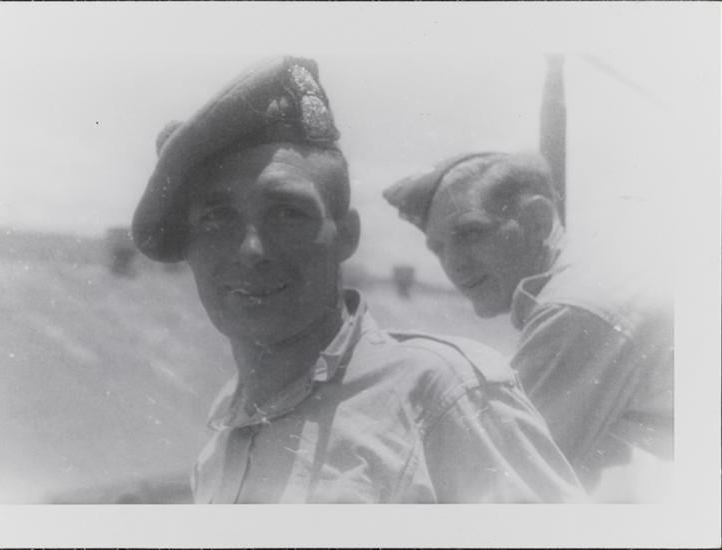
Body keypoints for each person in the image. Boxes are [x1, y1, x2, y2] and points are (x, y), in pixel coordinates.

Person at [132, 57, 583, 503]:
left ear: (346, 236)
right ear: (188, 247)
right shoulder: (225, 430)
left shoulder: (442, 395)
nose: (251, 250)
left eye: (287, 213)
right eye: (216, 219)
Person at [383, 152, 674, 492]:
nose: (453, 263)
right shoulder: (592, 273)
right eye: (438, 248)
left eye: (471, 232)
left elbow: (498, 479)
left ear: (538, 220)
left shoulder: (573, 310)